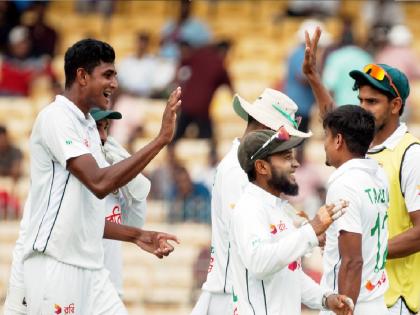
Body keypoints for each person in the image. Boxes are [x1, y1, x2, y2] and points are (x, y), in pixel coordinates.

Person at [19, 38, 181, 315]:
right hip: (57, 264)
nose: (115, 84)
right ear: (82, 76)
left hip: (92, 269)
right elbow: (99, 184)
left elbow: (86, 215)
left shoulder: (89, 130)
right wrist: (161, 139)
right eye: (107, 75)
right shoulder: (56, 117)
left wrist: (137, 235)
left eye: (115, 75)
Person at [303, 27, 420, 315]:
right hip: (368, 294)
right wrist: (314, 78)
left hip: (398, 297)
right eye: (361, 101)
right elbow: (336, 123)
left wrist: (363, 249)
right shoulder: (362, 148)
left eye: (372, 102)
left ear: (395, 105)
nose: (364, 109)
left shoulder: (410, 153)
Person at [191, 88, 312, 315]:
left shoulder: (243, 168)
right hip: (234, 296)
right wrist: (307, 235)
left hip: (242, 293)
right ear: (266, 130)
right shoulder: (238, 172)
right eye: (284, 142)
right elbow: (252, 249)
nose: (290, 154)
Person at [230, 129, 353, 315]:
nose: (295, 164)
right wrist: (310, 231)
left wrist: (325, 299)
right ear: (262, 167)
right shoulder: (249, 209)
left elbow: (289, 274)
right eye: (286, 157)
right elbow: (259, 263)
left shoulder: (279, 209)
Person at [320, 105, 389, 314]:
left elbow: (352, 261)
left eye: (327, 137)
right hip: (376, 301)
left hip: (352, 303)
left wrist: (345, 308)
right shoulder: (378, 175)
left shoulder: (344, 184)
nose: (324, 144)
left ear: (338, 140)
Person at [91, 107, 151, 296]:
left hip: (111, 288)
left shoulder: (111, 166)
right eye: (96, 128)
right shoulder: (71, 176)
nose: (103, 137)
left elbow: (134, 224)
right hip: (80, 288)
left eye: (105, 128)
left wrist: (135, 183)